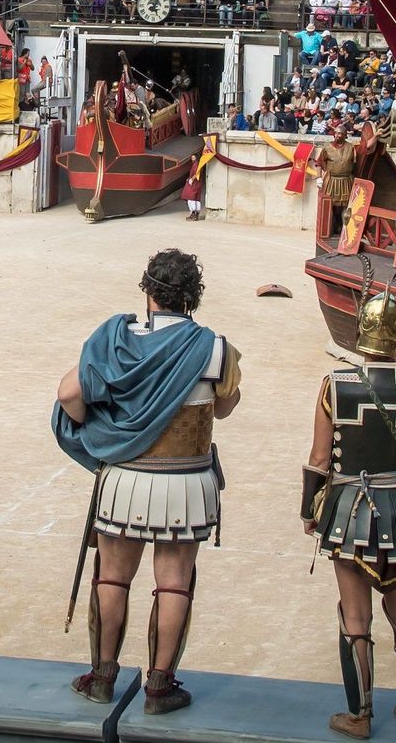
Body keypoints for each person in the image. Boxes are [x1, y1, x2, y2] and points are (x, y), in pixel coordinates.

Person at [53, 250, 241, 715]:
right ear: (192, 295)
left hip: (125, 482)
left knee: (112, 576)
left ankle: (101, 678)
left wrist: (98, 435)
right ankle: (160, 687)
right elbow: (223, 408)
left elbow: (69, 394)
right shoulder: (215, 348)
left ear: (148, 289)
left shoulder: (117, 341)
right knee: (174, 583)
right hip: (187, 485)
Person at [302, 264, 396, 739]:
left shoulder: (336, 384)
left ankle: (360, 716)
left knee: (355, 617)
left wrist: (310, 512)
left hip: (350, 512)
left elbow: (319, 458)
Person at [318, 125, 357, 234]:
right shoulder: (327, 148)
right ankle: (330, 230)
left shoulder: (351, 147)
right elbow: (319, 163)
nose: (337, 135)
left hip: (346, 180)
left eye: (340, 133)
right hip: (331, 180)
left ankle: (345, 231)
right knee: (330, 206)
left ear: (345, 136)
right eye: (336, 133)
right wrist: (318, 177)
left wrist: (376, 136)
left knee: (346, 206)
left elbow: (366, 148)